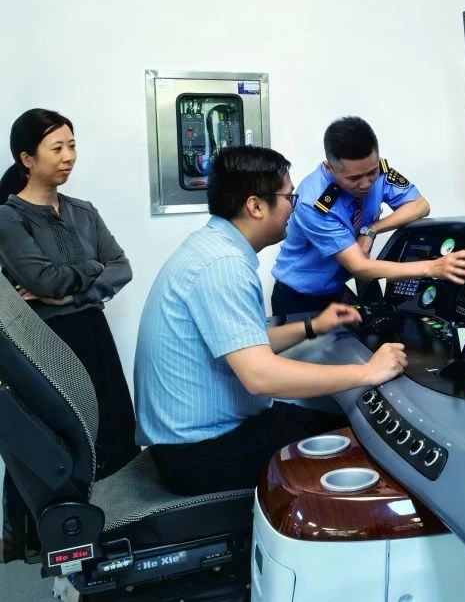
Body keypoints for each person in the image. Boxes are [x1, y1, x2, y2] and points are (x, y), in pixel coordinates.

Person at [133, 146, 408, 495]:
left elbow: (246, 342)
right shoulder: (224, 266)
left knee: (338, 422)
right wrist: (367, 372)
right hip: (202, 453)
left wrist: (313, 326)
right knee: (366, 447)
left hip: (199, 438)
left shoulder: (211, 246)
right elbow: (260, 376)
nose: (293, 206)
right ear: (256, 206)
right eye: (288, 196)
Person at [0, 108, 137, 561]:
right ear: (26, 158)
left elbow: (122, 268)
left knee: (113, 424)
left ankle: (116, 520)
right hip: (47, 343)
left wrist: (70, 290)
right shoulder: (9, 218)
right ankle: (44, 538)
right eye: (56, 147)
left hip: (92, 330)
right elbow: (43, 280)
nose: (68, 156)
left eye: (72, 145)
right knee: (57, 440)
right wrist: (90, 271)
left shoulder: (84, 211)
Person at [270, 115, 465, 316]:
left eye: (372, 173)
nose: (366, 184)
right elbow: (359, 266)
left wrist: (371, 229)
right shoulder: (314, 202)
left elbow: (420, 205)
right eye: (354, 178)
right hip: (300, 298)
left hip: (341, 290)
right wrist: (433, 267)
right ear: (329, 167)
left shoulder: (378, 171)